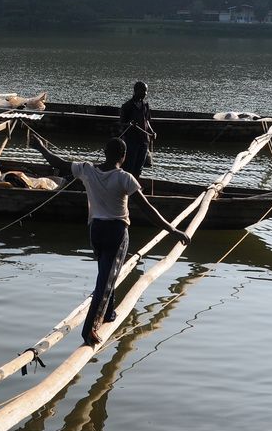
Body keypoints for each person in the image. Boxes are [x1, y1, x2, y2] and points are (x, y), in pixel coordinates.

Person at [32, 135, 190, 347]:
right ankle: (89, 329)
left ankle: (108, 313)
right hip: (116, 232)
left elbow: (58, 163)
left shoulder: (87, 169)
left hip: (96, 231)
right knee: (105, 280)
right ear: (123, 157)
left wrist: (41, 147)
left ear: (105, 153)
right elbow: (147, 209)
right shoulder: (125, 178)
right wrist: (173, 230)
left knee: (107, 273)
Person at [118, 81, 155, 178]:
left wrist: (152, 132)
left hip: (143, 141)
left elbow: (147, 121)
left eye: (146, 91)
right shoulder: (127, 106)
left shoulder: (145, 105)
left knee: (139, 168)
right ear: (136, 91)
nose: (145, 93)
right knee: (129, 167)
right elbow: (121, 124)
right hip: (131, 142)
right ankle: (127, 184)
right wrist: (129, 124)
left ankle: (135, 184)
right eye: (143, 91)